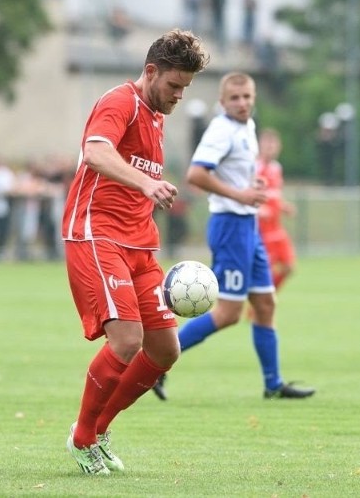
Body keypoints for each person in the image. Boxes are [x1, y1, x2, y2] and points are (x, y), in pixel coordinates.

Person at [62, 28, 209, 475]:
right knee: (126, 341)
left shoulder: (158, 113)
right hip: (96, 235)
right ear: (150, 71)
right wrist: (146, 183)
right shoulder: (121, 101)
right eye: (174, 85)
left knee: (165, 350)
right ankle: (82, 438)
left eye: (185, 87)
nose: (180, 95)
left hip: (139, 244)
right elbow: (94, 152)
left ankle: (99, 429)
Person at [152, 72, 314, 401]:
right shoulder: (221, 130)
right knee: (227, 314)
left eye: (246, 97)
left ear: (253, 98)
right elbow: (196, 174)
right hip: (231, 226)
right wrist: (239, 196)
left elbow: (238, 173)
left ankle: (273, 385)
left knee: (266, 304)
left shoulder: (247, 127)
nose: (242, 103)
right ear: (222, 102)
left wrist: (252, 188)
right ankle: (154, 364)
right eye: (234, 98)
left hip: (248, 227)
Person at [256, 128, 297, 290]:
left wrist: (284, 206)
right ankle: (259, 309)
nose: (270, 148)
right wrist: (259, 209)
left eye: (274, 144)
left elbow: (274, 196)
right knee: (263, 274)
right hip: (262, 231)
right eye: (267, 144)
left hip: (277, 228)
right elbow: (245, 194)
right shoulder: (254, 168)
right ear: (260, 146)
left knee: (289, 267)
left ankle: (266, 302)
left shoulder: (276, 168)